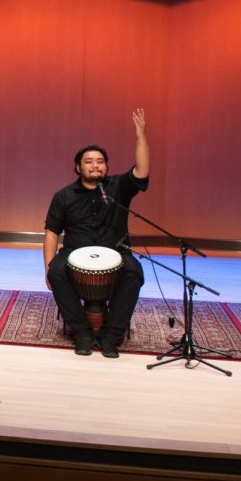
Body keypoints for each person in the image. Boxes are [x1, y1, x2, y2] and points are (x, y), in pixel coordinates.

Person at [43, 109, 151, 358]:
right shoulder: (63, 196)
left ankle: (111, 335)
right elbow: (51, 233)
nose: (95, 165)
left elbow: (142, 171)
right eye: (89, 161)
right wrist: (48, 265)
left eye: (100, 161)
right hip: (73, 252)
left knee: (134, 272)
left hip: (116, 251)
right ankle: (81, 332)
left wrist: (140, 135)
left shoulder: (118, 187)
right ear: (77, 167)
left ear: (106, 167)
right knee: (57, 272)